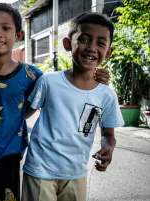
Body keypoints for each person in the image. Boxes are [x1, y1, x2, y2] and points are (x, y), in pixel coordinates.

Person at [0, 4, 111, 201]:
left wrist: (95, 76)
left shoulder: (33, 75)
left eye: (6, 28)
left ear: (18, 35)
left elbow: (67, 88)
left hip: (10, 156)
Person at [22, 12, 124, 201]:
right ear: (68, 44)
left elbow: (108, 135)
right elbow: (24, 114)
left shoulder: (106, 95)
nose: (92, 48)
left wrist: (108, 149)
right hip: (39, 169)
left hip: (76, 173)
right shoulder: (48, 82)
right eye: (84, 39)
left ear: (108, 52)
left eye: (100, 43)